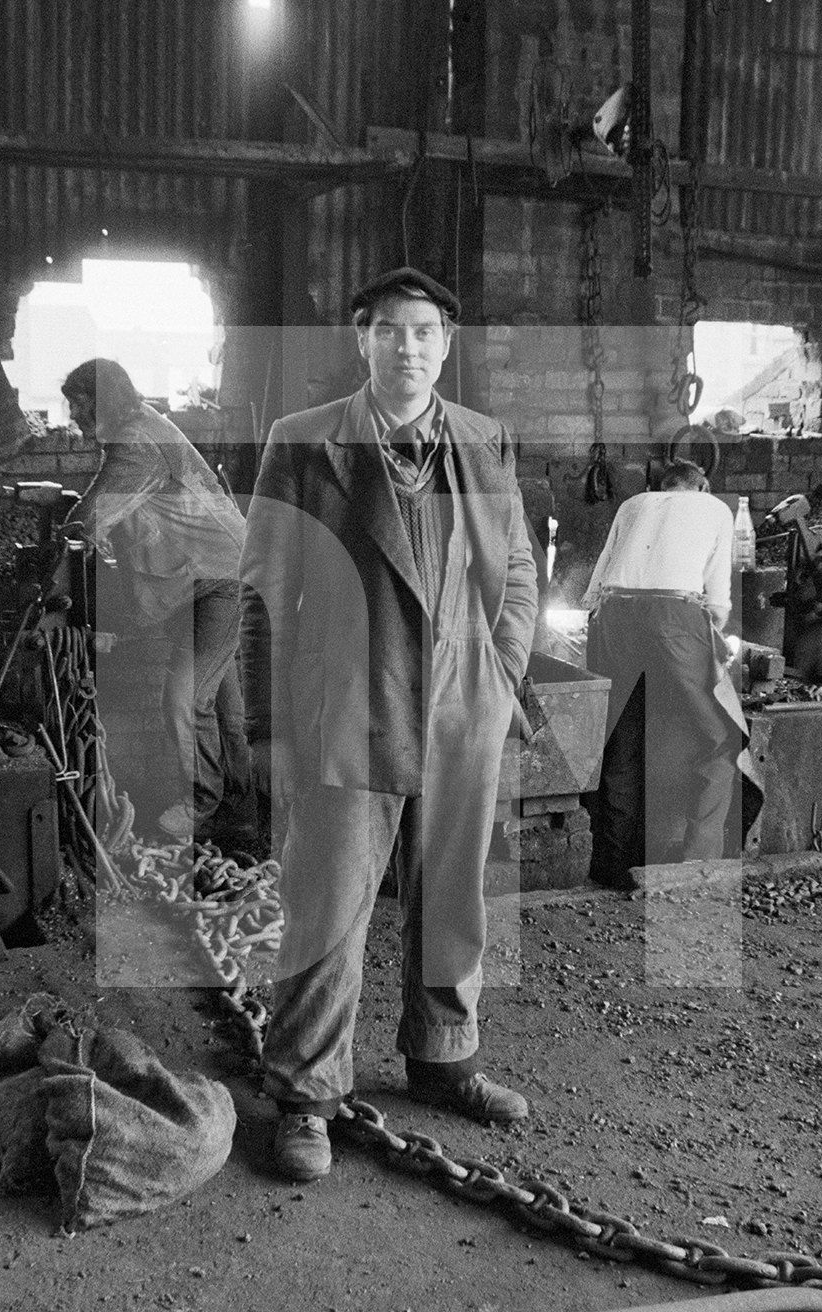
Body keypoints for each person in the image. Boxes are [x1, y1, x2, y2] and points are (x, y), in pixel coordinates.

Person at [239, 266, 539, 1181]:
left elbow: (517, 569)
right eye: (388, 331)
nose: (406, 347)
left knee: (455, 897)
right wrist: (263, 724)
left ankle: (445, 1058)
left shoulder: (484, 441)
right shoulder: (304, 442)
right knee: (328, 906)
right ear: (360, 340)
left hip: (460, 702)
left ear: (446, 345)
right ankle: (304, 1094)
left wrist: (499, 676)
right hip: (348, 705)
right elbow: (261, 594)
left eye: (423, 333)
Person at [62, 359, 249, 840]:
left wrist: (60, 538)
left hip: (225, 581)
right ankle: (242, 815)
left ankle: (201, 806)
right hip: (200, 579)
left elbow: (92, 517)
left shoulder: (139, 444)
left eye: (80, 409)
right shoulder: (140, 429)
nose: (76, 421)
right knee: (225, 712)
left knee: (185, 699)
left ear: (103, 402)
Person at [581, 459, 748, 888]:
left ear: (662, 486)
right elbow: (718, 602)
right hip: (674, 615)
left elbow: (596, 584)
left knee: (620, 737)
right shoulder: (716, 508)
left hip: (613, 616)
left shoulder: (634, 504)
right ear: (703, 486)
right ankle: (693, 866)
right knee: (721, 739)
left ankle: (612, 865)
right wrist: (714, 639)